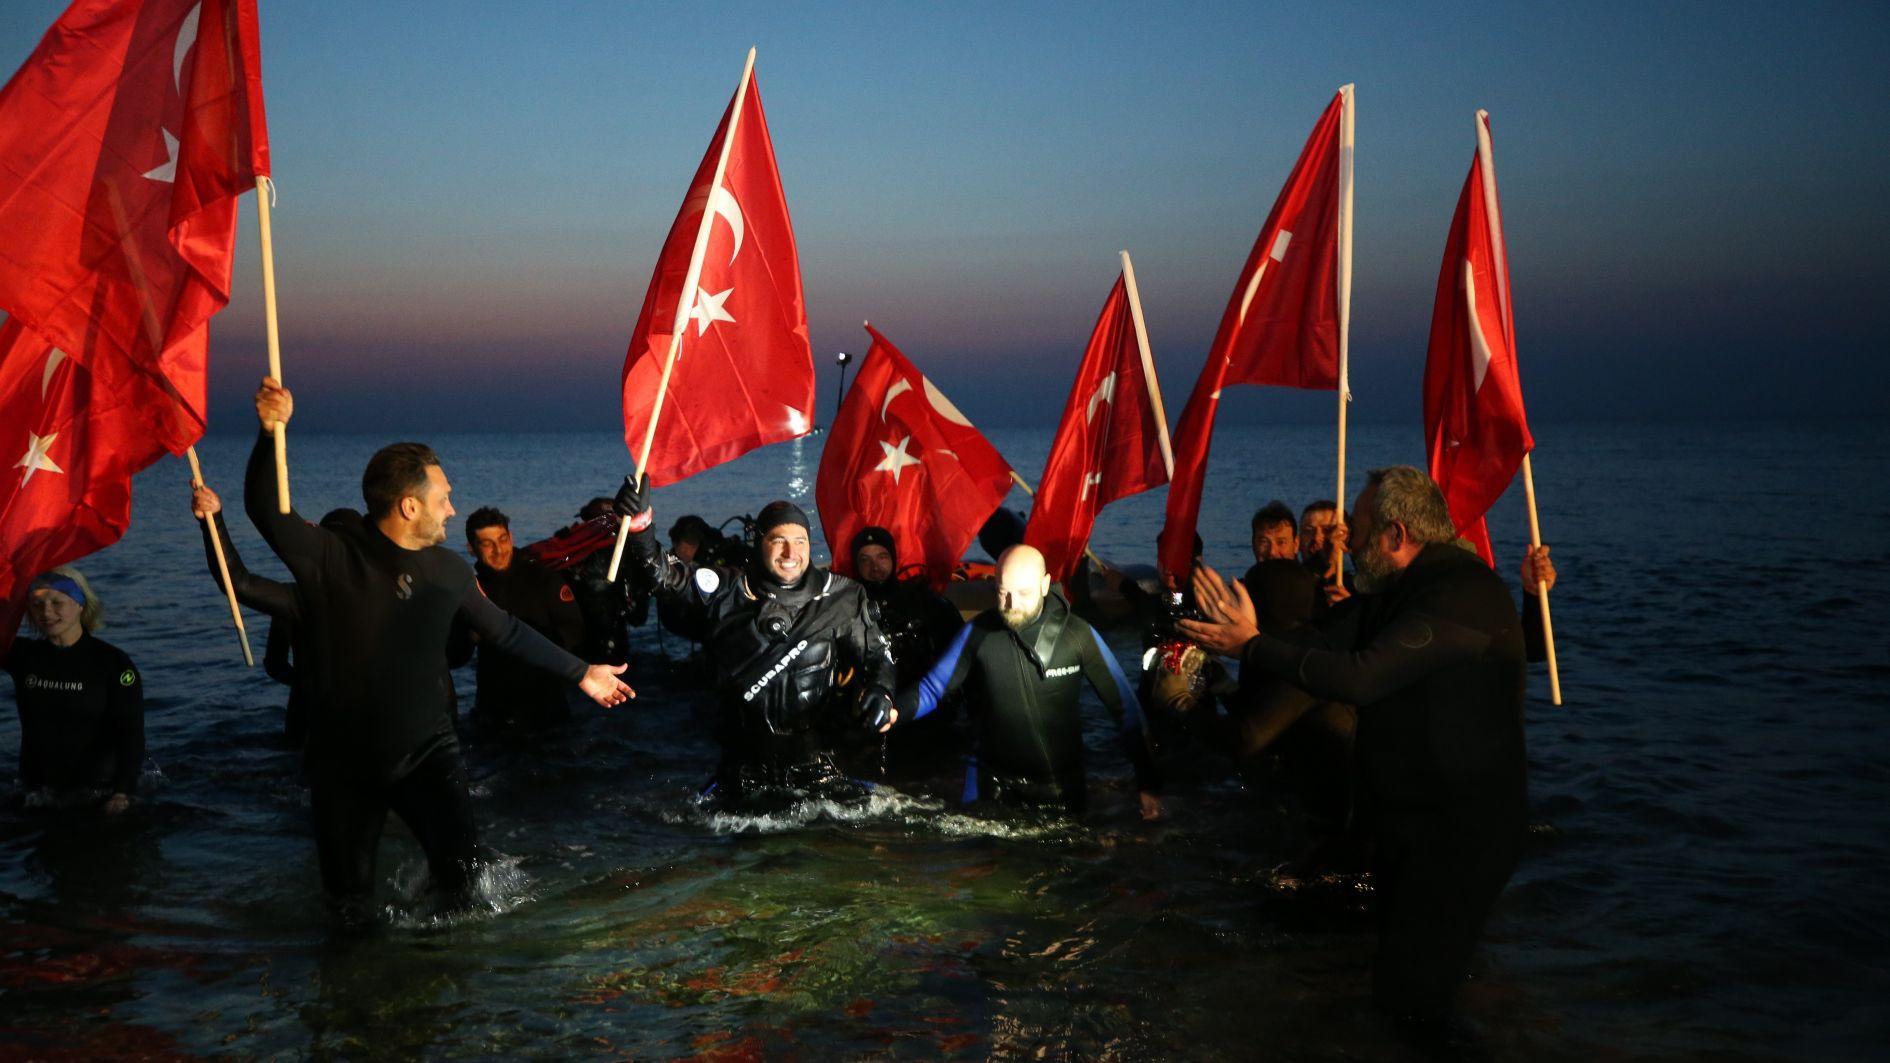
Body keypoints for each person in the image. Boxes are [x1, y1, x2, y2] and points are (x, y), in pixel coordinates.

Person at [243, 377, 634, 919]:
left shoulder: (448, 571)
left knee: (467, 891)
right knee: (349, 908)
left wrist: (583, 672)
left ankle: (460, 995)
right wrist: (269, 436)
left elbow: (506, 630)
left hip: (428, 753)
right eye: (443, 498)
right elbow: (267, 511)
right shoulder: (331, 557)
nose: (453, 510)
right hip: (343, 764)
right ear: (408, 506)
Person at [1180, 465, 1554, 1023]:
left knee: (1409, 1004)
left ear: (1396, 536)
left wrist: (1253, 646)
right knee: (1399, 982)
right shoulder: (1396, 592)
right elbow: (1324, 649)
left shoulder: (1459, 591)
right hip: (1408, 825)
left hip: (1460, 836)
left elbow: (1360, 677)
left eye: (1355, 526)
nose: (1346, 539)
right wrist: (1250, 632)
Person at [615, 479, 897, 809]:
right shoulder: (728, 588)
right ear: (759, 544)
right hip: (743, 763)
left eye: (800, 541)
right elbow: (663, 576)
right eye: (778, 541)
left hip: (815, 762)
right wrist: (640, 528)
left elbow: (878, 656)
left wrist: (881, 691)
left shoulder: (842, 597)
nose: (791, 553)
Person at [896, 544, 1162, 819]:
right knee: (972, 856)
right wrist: (895, 711)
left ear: (1045, 585)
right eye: (1003, 593)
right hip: (992, 781)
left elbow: (1126, 711)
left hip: (1059, 786)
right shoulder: (978, 632)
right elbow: (932, 689)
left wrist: (1148, 783)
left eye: (1023, 593)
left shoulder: (1078, 636)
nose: (1011, 605)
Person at [2, 568, 142, 813]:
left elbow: (130, 733)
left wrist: (122, 792)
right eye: (37, 604)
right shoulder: (21, 656)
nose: (46, 612)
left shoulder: (113, 663)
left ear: (80, 604)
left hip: (99, 793)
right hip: (35, 794)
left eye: (57, 603)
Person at [461, 506, 587, 730]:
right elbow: (456, 656)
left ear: (511, 537)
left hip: (545, 704)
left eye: (502, 539)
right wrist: (469, 637)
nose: (499, 550)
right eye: (487, 544)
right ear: (471, 548)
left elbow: (574, 632)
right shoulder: (470, 591)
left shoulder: (542, 578)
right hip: (493, 707)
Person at [1250, 500, 1299, 564]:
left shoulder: (1308, 574)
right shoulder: (1250, 574)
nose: (1272, 552)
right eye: (1264, 542)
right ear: (1253, 545)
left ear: (1295, 544)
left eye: (1281, 542)